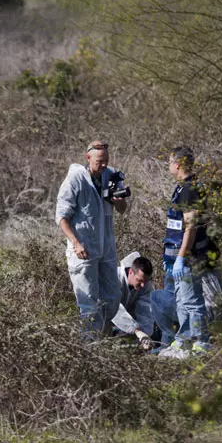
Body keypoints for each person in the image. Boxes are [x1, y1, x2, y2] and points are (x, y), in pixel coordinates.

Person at [55, 140, 128, 339]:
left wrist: (118, 200)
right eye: (99, 161)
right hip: (83, 250)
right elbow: (61, 217)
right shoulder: (76, 179)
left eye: (106, 160)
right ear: (88, 158)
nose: (103, 165)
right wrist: (76, 243)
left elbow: (122, 210)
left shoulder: (111, 175)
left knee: (113, 299)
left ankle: (102, 337)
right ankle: (90, 346)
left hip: (106, 248)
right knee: (89, 303)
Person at [156, 146, 222, 358]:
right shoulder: (183, 187)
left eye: (169, 163)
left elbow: (191, 227)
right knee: (182, 299)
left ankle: (200, 341)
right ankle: (183, 341)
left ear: (177, 164)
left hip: (189, 256)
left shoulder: (190, 188)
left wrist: (181, 257)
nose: (169, 167)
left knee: (192, 301)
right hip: (178, 254)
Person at [111, 252, 155, 350]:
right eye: (139, 280)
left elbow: (145, 311)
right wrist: (137, 330)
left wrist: (145, 334)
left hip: (128, 324)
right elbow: (114, 308)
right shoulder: (113, 278)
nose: (143, 285)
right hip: (104, 318)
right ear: (131, 271)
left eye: (145, 281)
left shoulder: (145, 285)